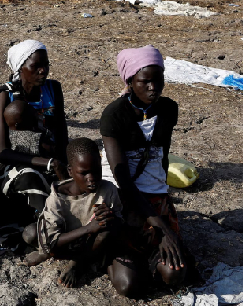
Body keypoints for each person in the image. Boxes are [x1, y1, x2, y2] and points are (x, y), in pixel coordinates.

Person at [100, 45, 186, 297]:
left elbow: (163, 158)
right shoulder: (114, 115)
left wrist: (164, 203)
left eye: (158, 79)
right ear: (129, 81)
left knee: (174, 275)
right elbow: (123, 179)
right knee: (130, 286)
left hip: (154, 196)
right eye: (145, 81)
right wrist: (161, 225)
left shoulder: (168, 109)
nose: (153, 87)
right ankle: (107, 258)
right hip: (123, 195)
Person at [0, 40, 68, 227]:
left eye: (46, 65)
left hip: (50, 156)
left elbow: (62, 134)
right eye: (36, 66)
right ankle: (48, 229)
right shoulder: (6, 95)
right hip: (15, 162)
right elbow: (1, 152)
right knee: (30, 177)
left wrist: (64, 163)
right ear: (20, 68)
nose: (43, 70)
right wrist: (48, 164)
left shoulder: (53, 89)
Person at [24, 138, 123, 289]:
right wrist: (89, 228)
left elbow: (119, 223)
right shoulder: (57, 198)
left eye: (96, 170)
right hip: (66, 239)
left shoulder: (107, 190)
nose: (92, 179)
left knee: (106, 231)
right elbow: (51, 242)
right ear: (70, 171)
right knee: (30, 233)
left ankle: (78, 264)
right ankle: (48, 254)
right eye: (84, 173)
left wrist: (110, 216)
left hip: (90, 244)